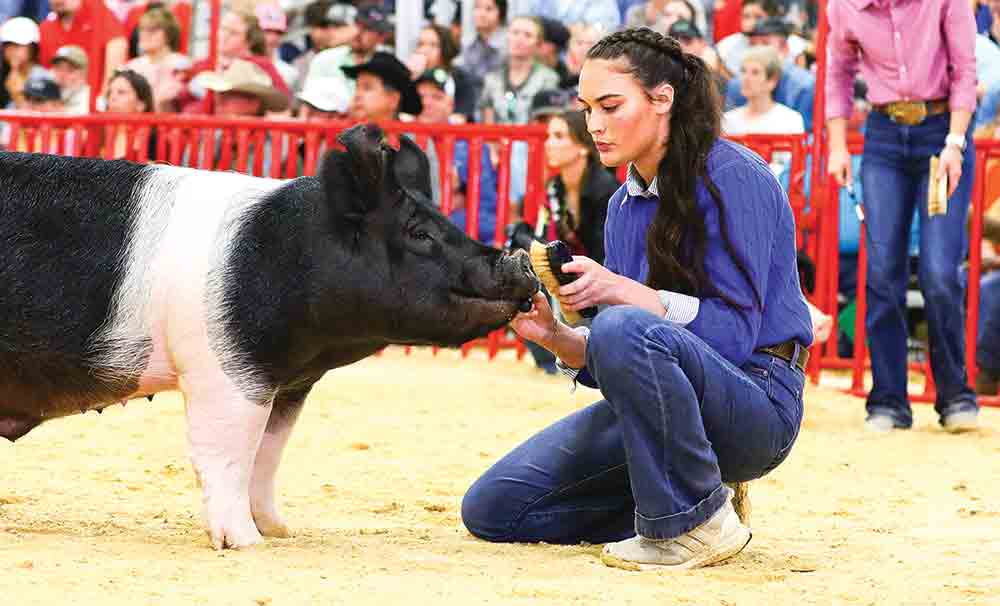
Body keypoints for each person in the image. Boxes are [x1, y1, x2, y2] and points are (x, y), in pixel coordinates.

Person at [462, 27, 812, 570]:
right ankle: (685, 501)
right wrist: (558, 338)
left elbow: (735, 337)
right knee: (492, 508)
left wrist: (624, 293)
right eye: (587, 108)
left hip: (759, 402)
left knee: (622, 325)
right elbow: (626, 364)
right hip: (663, 410)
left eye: (609, 105)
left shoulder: (735, 176)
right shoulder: (624, 206)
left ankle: (693, 522)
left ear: (662, 98)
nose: (593, 125)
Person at [826, 0, 980, 432]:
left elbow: (966, 69)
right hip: (883, 135)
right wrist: (838, 144)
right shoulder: (845, 6)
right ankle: (889, 400)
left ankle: (955, 395)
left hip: (940, 131)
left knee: (939, 273)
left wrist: (955, 142)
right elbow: (838, 71)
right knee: (881, 271)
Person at [723, 45, 804, 180]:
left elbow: (790, 169)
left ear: (772, 81)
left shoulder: (790, 119)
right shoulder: (727, 120)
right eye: (743, 71)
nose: (746, 78)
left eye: (755, 72)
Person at [724, 17, 815, 131]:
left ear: (785, 49)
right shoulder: (736, 85)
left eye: (765, 43)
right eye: (753, 44)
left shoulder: (804, 85)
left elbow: (807, 137)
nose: (758, 50)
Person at [38, 0, 128, 103]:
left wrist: (103, 100)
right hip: (56, 104)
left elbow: (117, 48)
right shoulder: (46, 28)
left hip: (91, 103)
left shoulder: (98, 13)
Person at [406, 24, 477, 122]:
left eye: (433, 45)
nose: (425, 50)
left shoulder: (460, 77)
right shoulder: (409, 75)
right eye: (421, 44)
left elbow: (461, 117)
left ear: (446, 48)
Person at [123, 7, 189, 112]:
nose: (144, 34)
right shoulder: (130, 67)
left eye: (152, 30)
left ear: (169, 34)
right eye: (142, 29)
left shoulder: (181, 64)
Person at [343, 50, 422, 122]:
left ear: (393, 99)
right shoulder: (339, 135)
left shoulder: (415, 137)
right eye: (357, 87)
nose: (357, 95)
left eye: (367, 88)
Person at [102, 68, 157, 160]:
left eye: (121, 92)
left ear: (141, 104)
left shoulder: (155, 140)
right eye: (110, 93)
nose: (112, 97)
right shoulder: (99, 133)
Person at [1, 16, 48, 109]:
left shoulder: (43, 78)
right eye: (8, 45)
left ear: (32, 48)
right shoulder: (3, 73)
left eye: (18, 45)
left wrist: (16, 94)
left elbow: (35, 116)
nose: (12, 50)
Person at [455, 0, 507, 77]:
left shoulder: (508, 44)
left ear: (501, 13)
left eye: (489, 9)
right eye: (477, 7)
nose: (481, 14)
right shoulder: (469, 44)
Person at [49, 44, 89, 113]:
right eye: (58, 68)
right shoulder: (44, 90)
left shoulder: (89, 100)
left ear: (83, 74)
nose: (62, 74)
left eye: (70, 70)